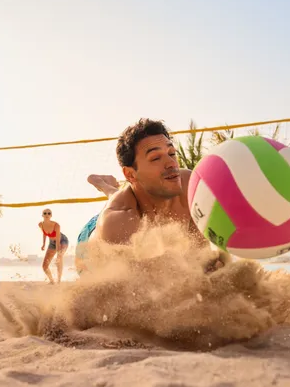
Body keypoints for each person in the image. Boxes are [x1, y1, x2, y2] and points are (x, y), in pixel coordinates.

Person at [75, 118, 230, 275]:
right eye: (156, 158)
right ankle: (108, 187)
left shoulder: (190, 184)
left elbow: (200, 256)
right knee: (121, 199)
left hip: (137, 196)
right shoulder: (118, 222)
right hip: (90, 248)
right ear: (130, 173)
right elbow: (136, 290)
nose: (172, 163)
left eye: (172, 153)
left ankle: (107, 187)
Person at [38, 208, 69, 283]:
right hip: (51, 242)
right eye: (45, 213)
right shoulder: (40, 224)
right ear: (42, 215)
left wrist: (58, 249)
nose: (47, 215)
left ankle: (59, 280)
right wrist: (43, 244)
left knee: (58, 259)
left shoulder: (56, 225)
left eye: (49, 213)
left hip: (62, 240)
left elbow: (58, 239)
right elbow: (44, 234)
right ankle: (52, 281)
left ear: (51, 215)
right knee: (44, 266)